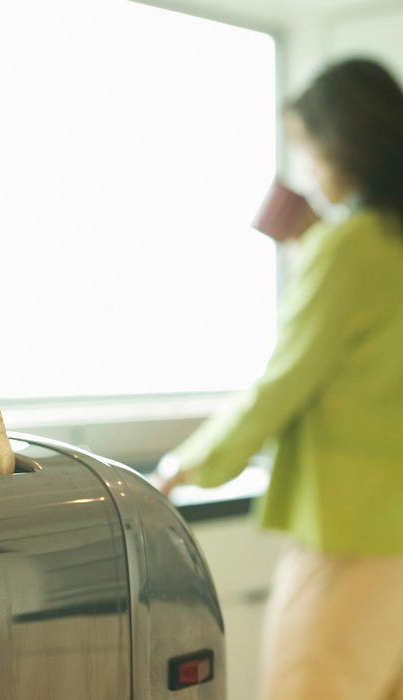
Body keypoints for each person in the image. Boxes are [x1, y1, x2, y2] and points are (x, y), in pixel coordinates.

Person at [151, 57, 403, 700]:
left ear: (346, 144)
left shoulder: (351, 248)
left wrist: (187, 464)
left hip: (352, 534)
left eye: (310, 149)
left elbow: (283, 382)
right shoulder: (374, 247)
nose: (311, 170)